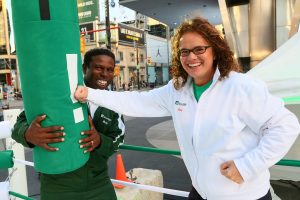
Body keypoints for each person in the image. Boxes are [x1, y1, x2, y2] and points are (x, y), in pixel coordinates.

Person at [75, 17, 300, 200]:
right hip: (200, 192)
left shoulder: (241, 87)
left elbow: (286, 126)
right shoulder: (178, 89)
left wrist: (247, 167)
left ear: (215, 50)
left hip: (243, 196)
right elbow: (137, 102)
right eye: (184, 52)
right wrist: (90, 94)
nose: (191, 57)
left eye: (199, 49)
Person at [12, 48, 125, 200]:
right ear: (85, 68)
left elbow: (118, 138)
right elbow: (18, 124)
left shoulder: (113, 102)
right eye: (98, 67)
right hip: (57, 187)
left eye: (110, 69)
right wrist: (27, 134)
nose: (105, 74)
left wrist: (100, 141)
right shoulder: (60, 93)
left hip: (99, 184)